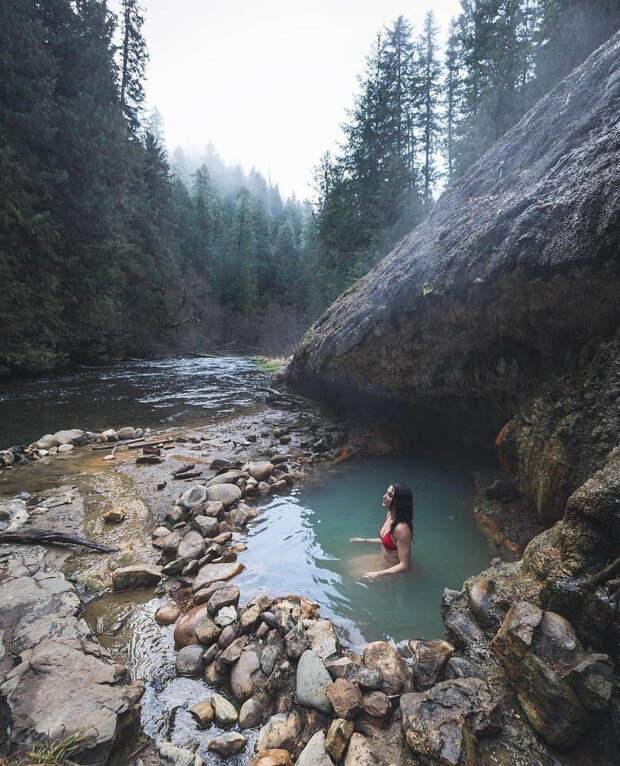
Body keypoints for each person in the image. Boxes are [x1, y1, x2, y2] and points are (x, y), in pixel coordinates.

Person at [350, 483, 413, 581]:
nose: (384, 496)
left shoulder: (401, 529)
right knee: (350, 563)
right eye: (386, 493)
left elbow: (404, 565)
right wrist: (363, 540)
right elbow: (385, 540)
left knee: (353, 576)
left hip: (392, 570)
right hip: (383, 560)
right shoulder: (389, 515)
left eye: (390, 495)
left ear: (398, 502)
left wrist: (377, 574)